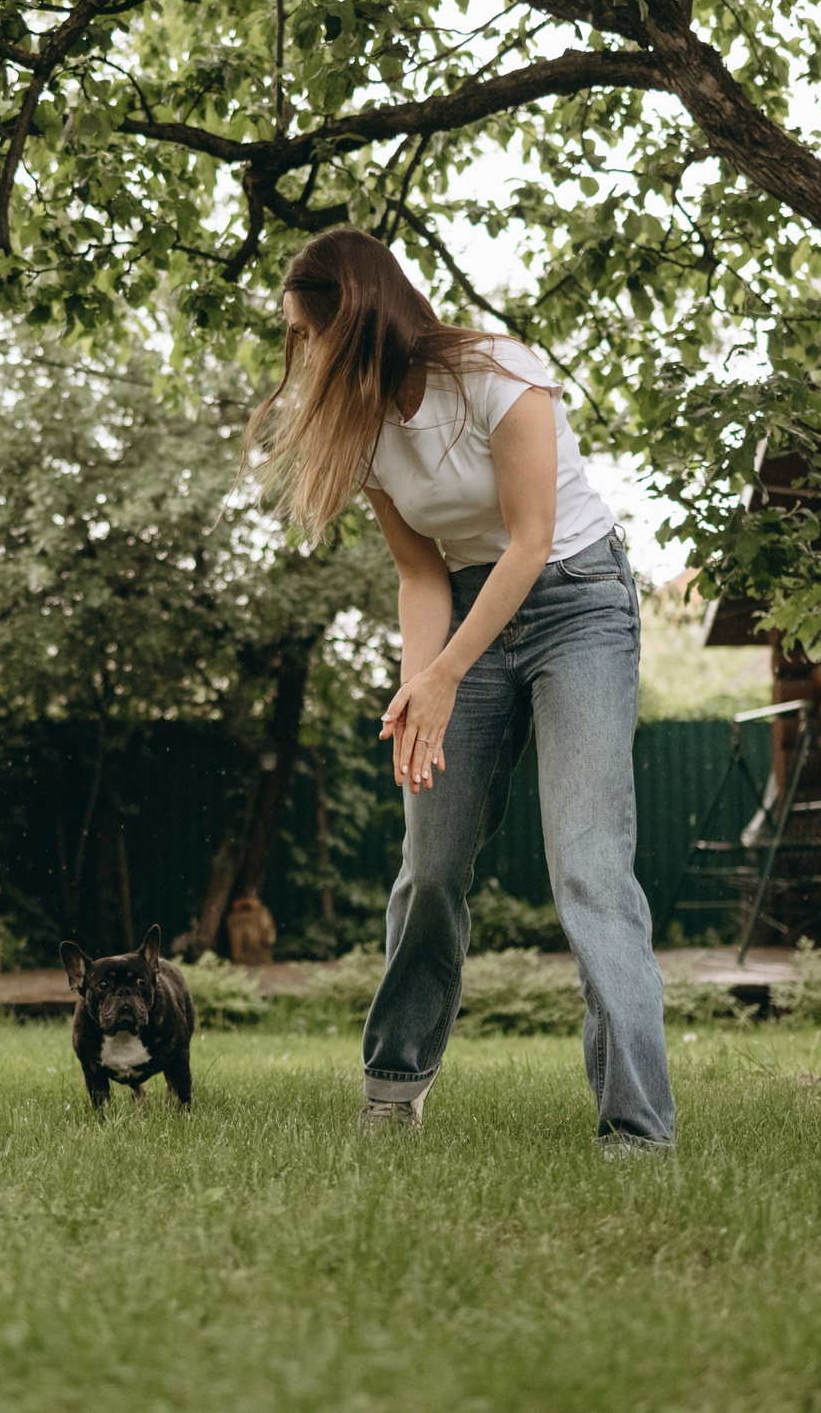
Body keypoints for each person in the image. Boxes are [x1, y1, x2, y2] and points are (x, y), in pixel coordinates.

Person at [248, 225, 674, 1153]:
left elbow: (528, 541)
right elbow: (422, 575)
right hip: (466, 617)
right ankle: (394, 1089)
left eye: (310, 331)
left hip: (577, 602)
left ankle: (638, 1131)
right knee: (430, 863)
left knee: (589, 869)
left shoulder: (497, 373)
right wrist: (421, 690)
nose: (302, 353)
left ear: (354, 319)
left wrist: (445, 671)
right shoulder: (362, 433)